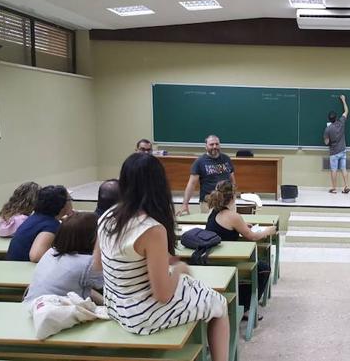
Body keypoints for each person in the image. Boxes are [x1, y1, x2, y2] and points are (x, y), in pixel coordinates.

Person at [96, 153, 229, 360]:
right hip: (140, 316)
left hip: (114, 305)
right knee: (219, 302)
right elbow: (163, 295)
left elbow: (98, 265)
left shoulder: (107, 215)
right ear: (158, 184)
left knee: (193, 290)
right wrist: (178, 269)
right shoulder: (151, 229)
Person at [205, 180, 276, 319]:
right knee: (263, 268)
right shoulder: (233, 216)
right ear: (232, 197)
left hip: (212, 259)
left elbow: (226, 227)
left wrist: (242, 225)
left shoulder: (213, 212)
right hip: (228, 261)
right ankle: (246, 307)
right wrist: (268, 231)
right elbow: (253, 236)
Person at [23, 212, 103, 305]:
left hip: (30, 306)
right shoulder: (88, 263)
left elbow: (80, 287)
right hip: (54, 314)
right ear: (94, 238)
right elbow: (111, 286)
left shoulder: (51, 252)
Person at [7, 185, 73, 262]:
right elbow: (36, 257)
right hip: (22, 270)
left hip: (14, 266)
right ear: (62, 204)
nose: (71, 202)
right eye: (70, 199)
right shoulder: (50, 226)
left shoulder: (36, 217)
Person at [178, 135, 236, 214]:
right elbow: (191, 184)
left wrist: (233, 196)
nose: (214, 146)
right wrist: (185, 204)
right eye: (211, 144)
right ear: (206, 146)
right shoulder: (199, 162)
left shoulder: (226, 159)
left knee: (230, 224)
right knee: (210, 225)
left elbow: (232, 179)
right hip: (209, 203)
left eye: (217, 144)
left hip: (228, 202)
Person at [323, 94, 350, 194]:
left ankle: (334, 188)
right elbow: (346, 111)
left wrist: (329, 140)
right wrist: (343, 100)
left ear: (329, 119)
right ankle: (346, 185)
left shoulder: (328, 129)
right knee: (343, 168)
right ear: (336, 117)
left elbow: (326, 142)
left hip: (334, 152)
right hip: (343, 150)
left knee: (334, 170)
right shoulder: (341, 122)